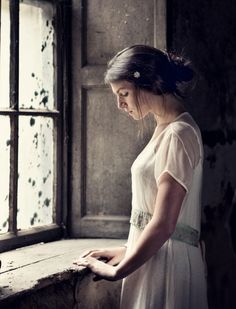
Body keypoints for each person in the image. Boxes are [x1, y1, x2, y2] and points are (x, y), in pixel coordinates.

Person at [73, 45, 208, 309]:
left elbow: (165, 224)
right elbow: (161, 220)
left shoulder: (178, 134)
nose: (120, 104)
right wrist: (127, 250)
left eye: (123, 93)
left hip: (168, 268)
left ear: (145, 82)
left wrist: (116, 272)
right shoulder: (165, 128)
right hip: (155, 260)